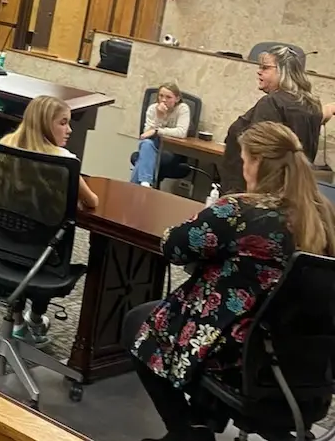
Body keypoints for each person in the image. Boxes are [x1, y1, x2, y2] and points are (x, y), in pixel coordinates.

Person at [126, 121, 335, 441]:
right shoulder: (324, 217)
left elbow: (174, 246)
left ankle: (186, 432)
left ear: (258, 163)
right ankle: (200, 423)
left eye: (245, 160)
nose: (244, 168)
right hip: (307, 365)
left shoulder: (238, 211)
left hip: (240, 356)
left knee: (140, 324)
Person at [0, 95, 99, 347]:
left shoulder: (3, 146)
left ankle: (18, 321)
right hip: (43, 261)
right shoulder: (63, 159)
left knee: (24, 241)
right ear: (44, 123)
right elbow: (92, 201)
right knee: (50, 245)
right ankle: (36, 318)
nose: (69, 129)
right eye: (63, 123)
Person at [220, 45, 322, 194]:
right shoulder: (311, 105)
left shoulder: (272, 103)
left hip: (254, 194)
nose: (258, 71)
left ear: (283, 71)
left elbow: (258, 153)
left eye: (265, 67)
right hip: (293, 194)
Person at [131, 83, 191, 187]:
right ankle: (145, 183)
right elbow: (146, 134)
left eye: (168, 97)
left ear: (177, 99)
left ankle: (137, 186)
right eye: (161, 96)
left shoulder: (182, 109)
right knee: (146, 144)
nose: (163, 100)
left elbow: (181, 132)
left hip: (171, 150)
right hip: (153, 145)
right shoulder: (153, 108)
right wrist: (159, 117)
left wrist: (157, 131)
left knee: (142, 158)